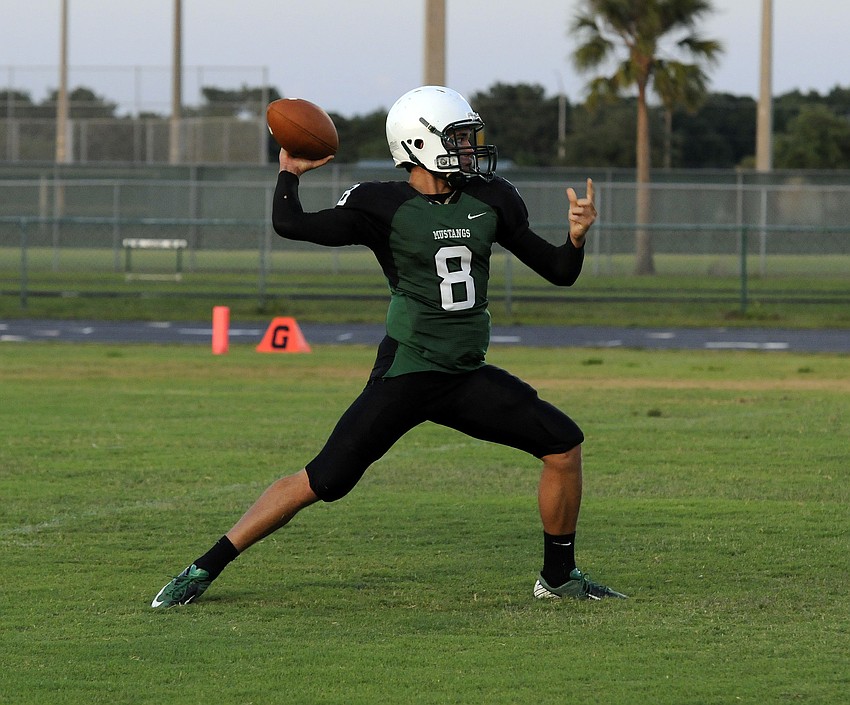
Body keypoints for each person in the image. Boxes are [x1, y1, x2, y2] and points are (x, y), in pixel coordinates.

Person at [151, 85, 626, 608]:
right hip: (407, 372)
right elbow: (290, 224)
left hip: (465, 374)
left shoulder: (492, 198)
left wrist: (576, 238)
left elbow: (558, 271)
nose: (470, 149)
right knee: (324, 480)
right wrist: (289, 172)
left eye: (469, 138)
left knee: (563, 446)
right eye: (458, 139)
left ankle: (558, 578)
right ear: (419, 143)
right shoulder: (381, 204)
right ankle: (203, 568)